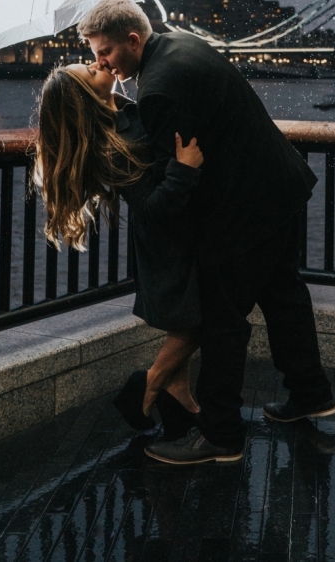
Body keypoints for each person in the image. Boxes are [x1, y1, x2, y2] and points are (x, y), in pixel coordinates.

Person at [77, 0, 335, 466]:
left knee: (221, 322)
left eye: (106, 52)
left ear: (133, 40)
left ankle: (220, 434)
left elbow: (171, 183)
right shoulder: (183, 42)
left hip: (242, 212)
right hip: (279, 186)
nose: (101, 62)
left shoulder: (156, 90)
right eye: (96, 55)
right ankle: (311, 393)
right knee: (283, 294)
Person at [35, 61, 205, 440]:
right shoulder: (112, 144)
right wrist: (185, 170)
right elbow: (150, 209)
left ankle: (181, 402)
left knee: (187, 319)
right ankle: (146, 387)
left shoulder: (132, 107)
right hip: (166, 243)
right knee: (201, 320)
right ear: (87, 97)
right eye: (91, 72)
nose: (99, 64)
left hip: (179, 235)